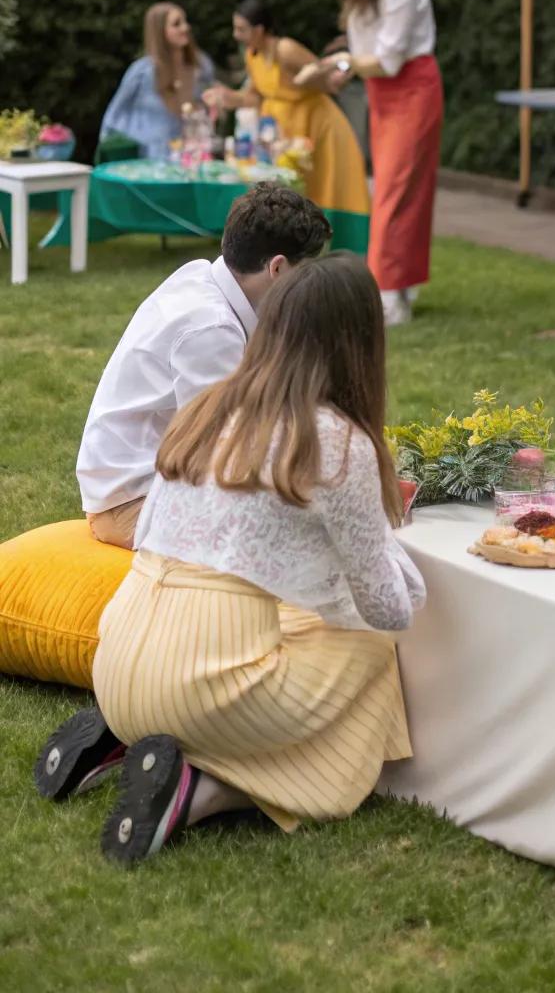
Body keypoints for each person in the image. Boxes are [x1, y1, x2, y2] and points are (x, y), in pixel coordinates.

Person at [35, 255, 425, 867]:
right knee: (373, 647)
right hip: (201, 682)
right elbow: (389, 606)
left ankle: (131, 736)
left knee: (293, 624)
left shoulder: (207, 407)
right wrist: (389, 539)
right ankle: (204, 790)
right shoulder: (335, 439)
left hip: (114, 662)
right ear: (360, 345)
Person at [77, 183, 331, 549]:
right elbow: (225, 454)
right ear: (277, 268)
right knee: (294, 540)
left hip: (141, 484)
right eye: (304, 273)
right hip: (134, 503)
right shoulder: (213, 329)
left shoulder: (204, 277)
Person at [301, 0, 443, 327]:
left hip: (412, 90)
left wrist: (342, 61)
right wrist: (337, 71)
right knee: (394, 188)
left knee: (396, 192)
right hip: (383, 94)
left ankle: (386, 297)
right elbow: (367, 53)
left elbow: (388, 59)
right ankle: (401, 286)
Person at [204, 0, 370, 219]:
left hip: (317, 126)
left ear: (260, 30)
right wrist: (227, 97)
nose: (235, 35)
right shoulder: (253, 55)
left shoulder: (285, 49)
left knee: (327, 187)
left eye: (241, 29)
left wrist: (320, 76)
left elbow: (325, 75)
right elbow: (255, 97)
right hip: (285, 135)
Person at [99, 3, 214, 160]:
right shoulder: (142, 72)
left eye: (185, 21)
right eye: (176, 24)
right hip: (150, 157)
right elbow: (114, 114)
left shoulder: (200, 66)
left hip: (191, 154)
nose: (185, 28)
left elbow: (208, 106)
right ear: (160, 31)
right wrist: (107, 153)